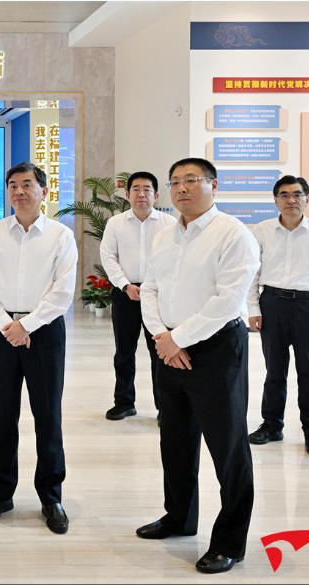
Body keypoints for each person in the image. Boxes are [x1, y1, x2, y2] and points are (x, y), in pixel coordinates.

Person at [138, 158, 260, 574]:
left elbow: (229, 299)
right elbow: (150, 289)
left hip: (216, 349)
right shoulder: (165, 235)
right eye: (175, 182)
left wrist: (179, 338)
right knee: (175, 439)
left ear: (214, 185)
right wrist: (163, 337)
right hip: (168, 347)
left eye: (191, 180)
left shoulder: (233, 233)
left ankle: (229, 543)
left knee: (228, 447)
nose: (182, 188)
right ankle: (179, 517)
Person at [0, 162, 77, 535]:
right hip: (2, 331)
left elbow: (63, 291)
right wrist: (7, 325)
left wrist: (26, 325)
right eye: (13, 185)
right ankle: (0, 493)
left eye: (27, 184)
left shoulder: (61, 235)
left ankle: (51, 496)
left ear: (43, 191)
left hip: (44, 332)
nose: (19, 191)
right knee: (2, 414)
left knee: (48, 416)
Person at [246, 175, 309, 457]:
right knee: (274, 372)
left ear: (306, 199)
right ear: (275, 200)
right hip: (272, 305)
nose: (291, 200)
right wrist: (253, 309)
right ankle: (272, 425)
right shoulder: (262, 230)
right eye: (285, 195)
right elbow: (252, 274)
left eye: (297, 194)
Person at [100, 171, 176, 422]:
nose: (141, 194)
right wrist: (125, 285)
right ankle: (124, 402)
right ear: (127, 194)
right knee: (124, 351)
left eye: (146, 189)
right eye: (136, 189)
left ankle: (165, 407)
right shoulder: (116, 223)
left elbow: (175, 259)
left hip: (158, 296)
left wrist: (155, 288)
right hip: (125, 294)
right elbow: (108, 257)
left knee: (160, 351)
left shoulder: (169, 224)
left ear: (156, 195)